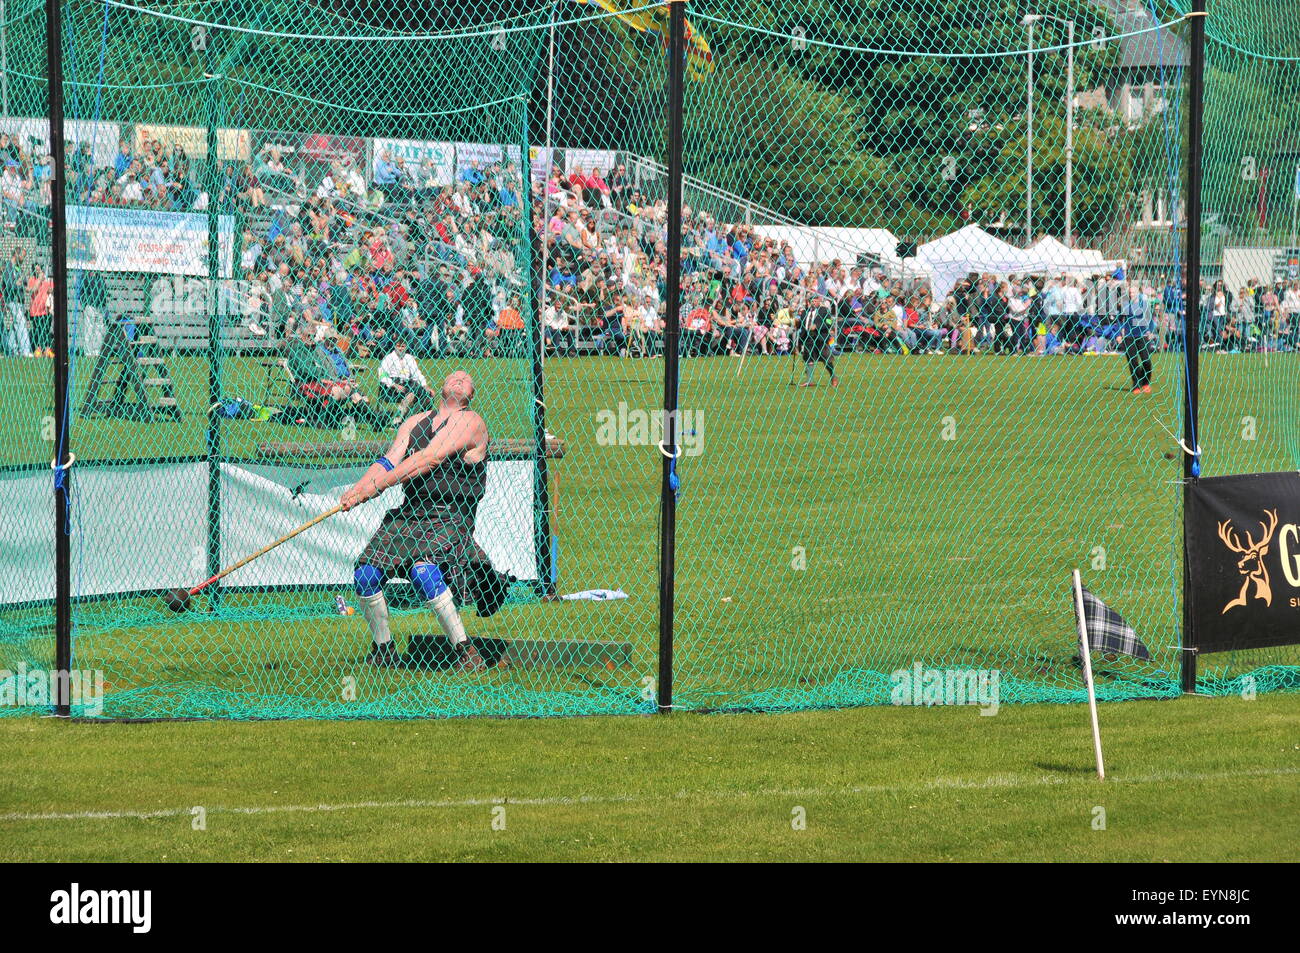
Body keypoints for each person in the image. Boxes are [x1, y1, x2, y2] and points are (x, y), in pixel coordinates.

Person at [341, 371, 490, 671]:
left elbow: (428, 459)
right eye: (453, 377)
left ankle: (466, 652)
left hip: (450, 517)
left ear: (471, 394)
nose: (459, 379)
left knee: (424, 572)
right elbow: (388, 461)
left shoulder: (470, 421)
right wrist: (358, 488)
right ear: (441, 389)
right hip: (410, 515)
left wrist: (377, 487)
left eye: (466, 379)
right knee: (366, 575)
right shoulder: (415, 421)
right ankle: (384, 650)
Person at [378, 339, 434, 421]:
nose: (400, 348)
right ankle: (399, 419)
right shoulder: (389, 358)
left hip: (408, 383)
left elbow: (417, 374)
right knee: (411, 394)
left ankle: (418, 418)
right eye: (398, 346)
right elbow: (382, 374)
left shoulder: (409, 358)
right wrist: (393, 384)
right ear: (394, 346)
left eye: (403, 346)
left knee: (428, 395)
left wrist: (425, 385)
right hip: (392, 385)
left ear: (406, 347)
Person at [1120, 284, 1155, 393]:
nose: (1131, 294)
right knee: (1133, 361)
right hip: (1129, 336)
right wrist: (1119, 333)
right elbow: (1119, 320)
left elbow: (1150, 319)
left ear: (1138, 292)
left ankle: (1145, 382)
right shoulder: (1125, 304)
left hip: (1143, 335)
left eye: (1133, 292)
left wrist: (1151, 331)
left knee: (1146, 361)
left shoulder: (1144, 304)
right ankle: (1136, 385)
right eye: (1130, 292)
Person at [799, 292, 837, 386]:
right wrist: (798, 325)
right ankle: (809, 380)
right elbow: (802, 325)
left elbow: (829, 323)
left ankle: (833, 376)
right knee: (809, 359)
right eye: (812, 300)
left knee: (826, 359)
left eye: (816, 300)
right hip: (808, 338)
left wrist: (817, 326)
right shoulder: (805, 312)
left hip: (820, 338)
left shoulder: (824, 310)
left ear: (819, 301)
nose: (814, 302)